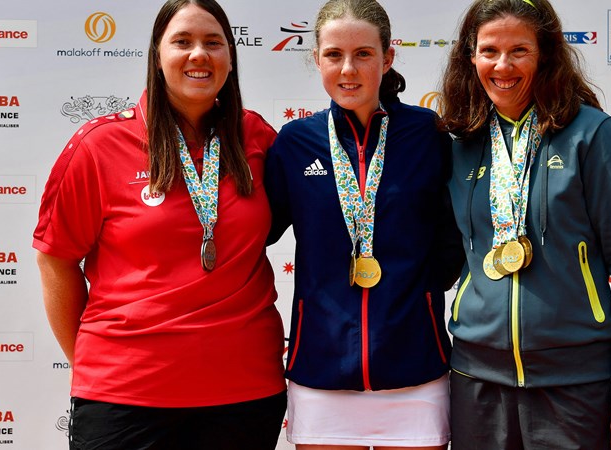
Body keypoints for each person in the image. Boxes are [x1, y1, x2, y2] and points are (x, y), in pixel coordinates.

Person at [33, 1, 286, 448]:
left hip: (245, 392)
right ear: (156, 54)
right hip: (125, 395)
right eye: (182, 42)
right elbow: (56, 260)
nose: (199, 55)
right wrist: (94, 364)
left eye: (213, 43)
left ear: (231, 56)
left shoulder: (257, 136)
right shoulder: (99, 146)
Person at [439, 0, 611, 449]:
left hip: (574, 384)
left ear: (546, 55)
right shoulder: (460, 142)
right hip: (476, 382)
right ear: (471, 58)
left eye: (519, 50)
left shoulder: (591, 135)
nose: (503, 66)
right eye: (489, 51)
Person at [265, 0, 463, 448]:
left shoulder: (427, 134)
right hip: (321, 368)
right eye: (334, 54)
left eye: (364, 54)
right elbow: (258, 230)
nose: (348, 69)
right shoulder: (295, 143)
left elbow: (451, 234)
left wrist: (420, 296)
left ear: (388, 57)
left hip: (415, 366)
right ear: (316, 58)